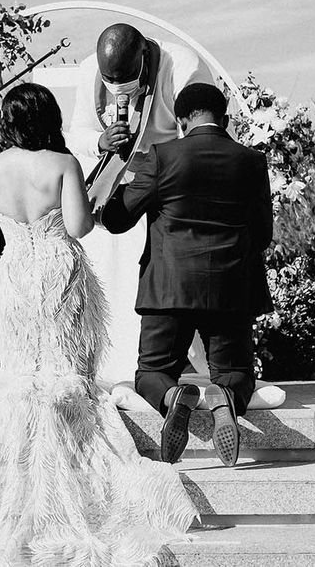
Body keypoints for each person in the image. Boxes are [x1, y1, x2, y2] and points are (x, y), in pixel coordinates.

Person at [0, 83, 197, 566]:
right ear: (49, 116)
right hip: (59, 271)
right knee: (67, 377)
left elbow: (9, 218)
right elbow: (79, 227)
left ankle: (20, 472)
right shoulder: (62, 164)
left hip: (16, 273)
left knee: (29, 377)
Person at [100, 83, 273, 467]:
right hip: (232, 288)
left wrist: (120, 171)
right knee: (235, 372)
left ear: (180, 121)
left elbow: (115, 219)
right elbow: (263, 234)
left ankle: (172, 397)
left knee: (152, 373)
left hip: (169, 288)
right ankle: (223, 398)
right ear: (224, 119)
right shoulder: (251, 161)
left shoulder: (162, 157)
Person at [67, 23, 214, 385]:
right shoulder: (89, 70)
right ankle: (112, 364)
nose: (119, 87)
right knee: (107, 262)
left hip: (173, 184)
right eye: (111, 79)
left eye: (127, 79)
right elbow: (77, 133)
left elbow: (198, 134)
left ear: (144, 57)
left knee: (170, 273)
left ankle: (171, 366)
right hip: (121, 187)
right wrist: (100, 141)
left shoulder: (181, 64)